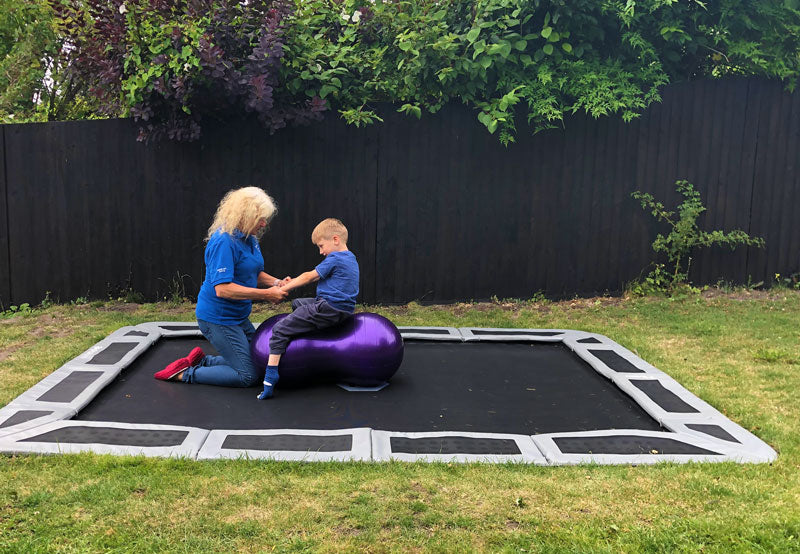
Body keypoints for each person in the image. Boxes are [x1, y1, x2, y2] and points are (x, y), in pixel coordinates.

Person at [154, 187, 289, 386]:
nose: (264, 223)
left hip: (239, 317)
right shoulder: (224, 241)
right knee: (248, 376)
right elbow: (223, 289)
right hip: (218, 319)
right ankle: (185, 374)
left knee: (261, 359)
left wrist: (277, 282)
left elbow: (253, 272)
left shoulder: (249, 238)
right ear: (246, 215)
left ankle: (203, 361)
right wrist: (267, 295)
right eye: (260, 218)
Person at [257, 218, 359, 400]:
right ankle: (306, 328)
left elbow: (308, 277)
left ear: (335, 239)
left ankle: (270, 378)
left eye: (321, 246)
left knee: (280, 330)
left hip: (328, 308)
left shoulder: (335, 258)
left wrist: (282, 289)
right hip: (342, 309)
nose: (321, 252)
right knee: (298, 304)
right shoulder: (350, 257)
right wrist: (288, 282)